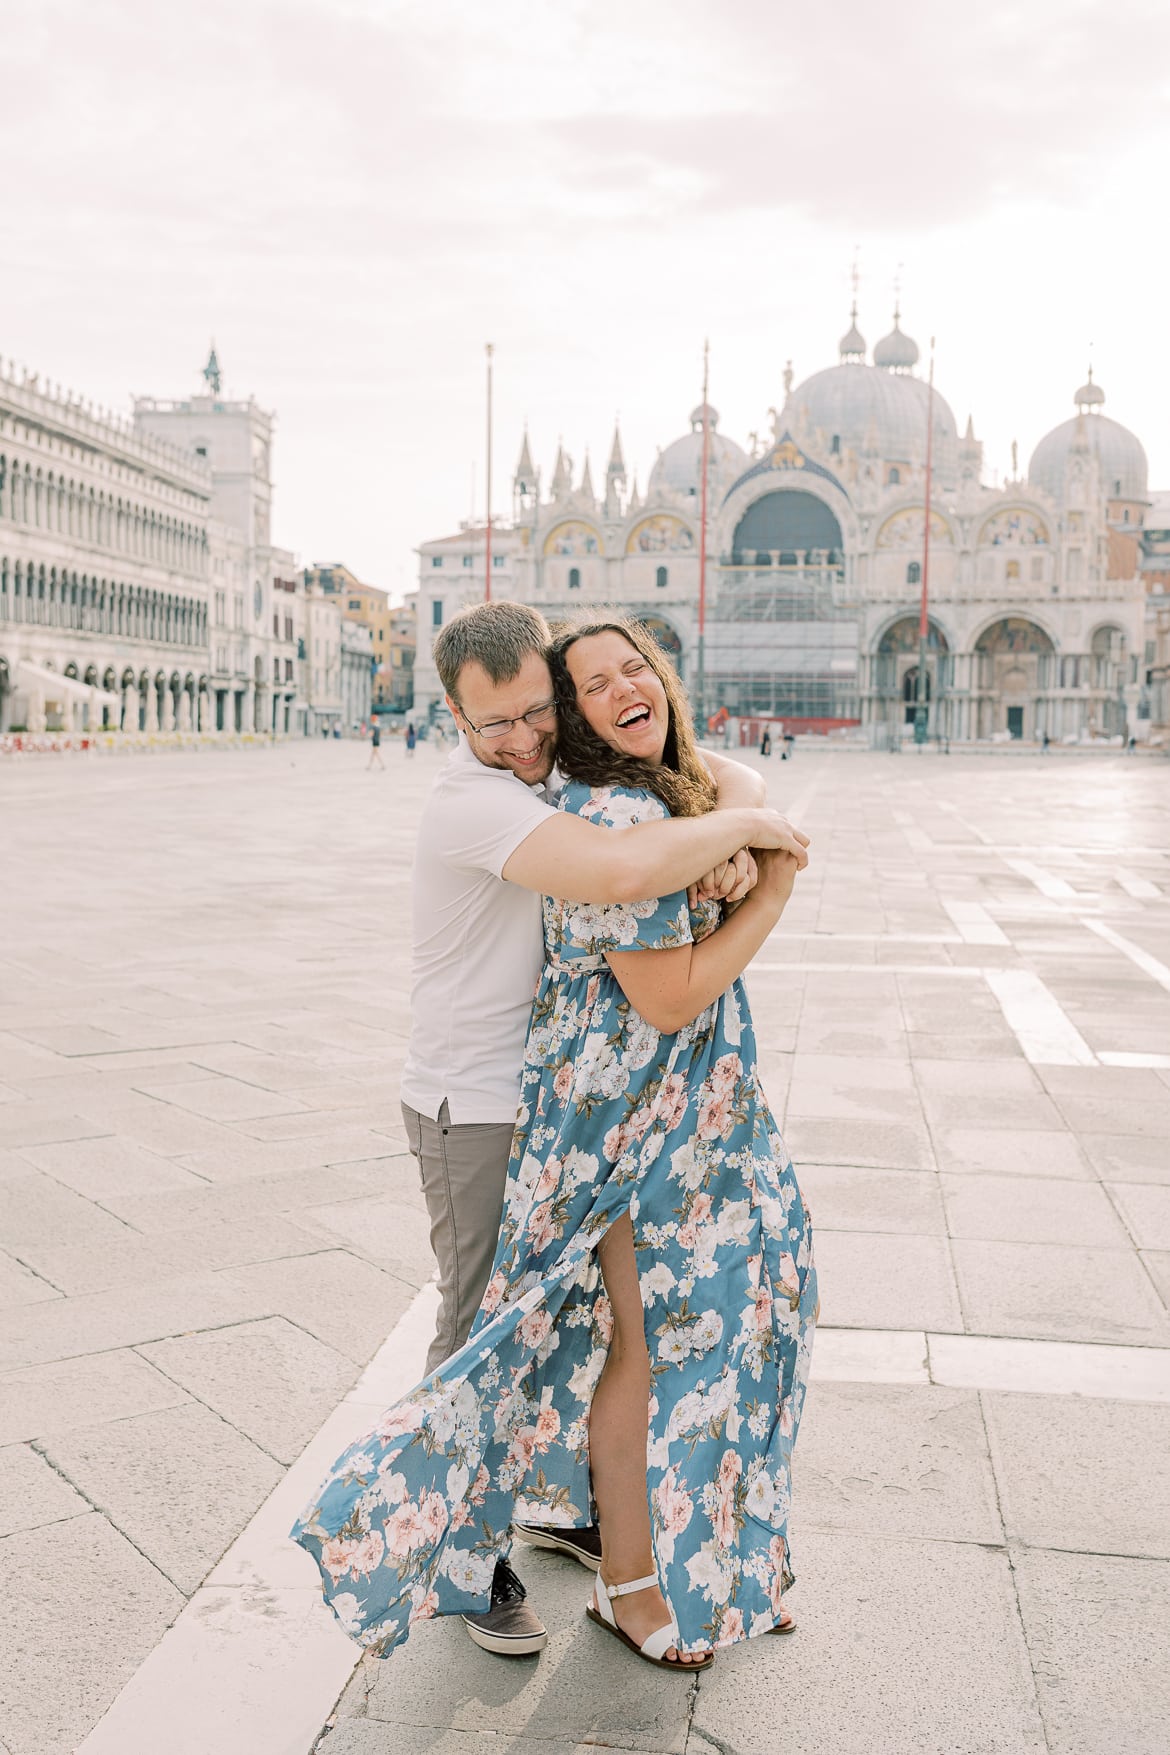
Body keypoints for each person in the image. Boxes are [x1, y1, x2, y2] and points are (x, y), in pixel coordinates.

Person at [294, 608, 815, 1670]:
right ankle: (463, 1554)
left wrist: (737, 835)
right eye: (501, 723)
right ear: (456, 716)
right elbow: (630, 879)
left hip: (570, 1099)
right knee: (484, 1330)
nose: (525, 737)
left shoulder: (560, 771)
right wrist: (765, 866)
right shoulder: (478, 801)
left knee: (580, 1325)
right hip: (477, 1103)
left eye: (540, 709)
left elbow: (725, 783)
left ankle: (586, 1516)